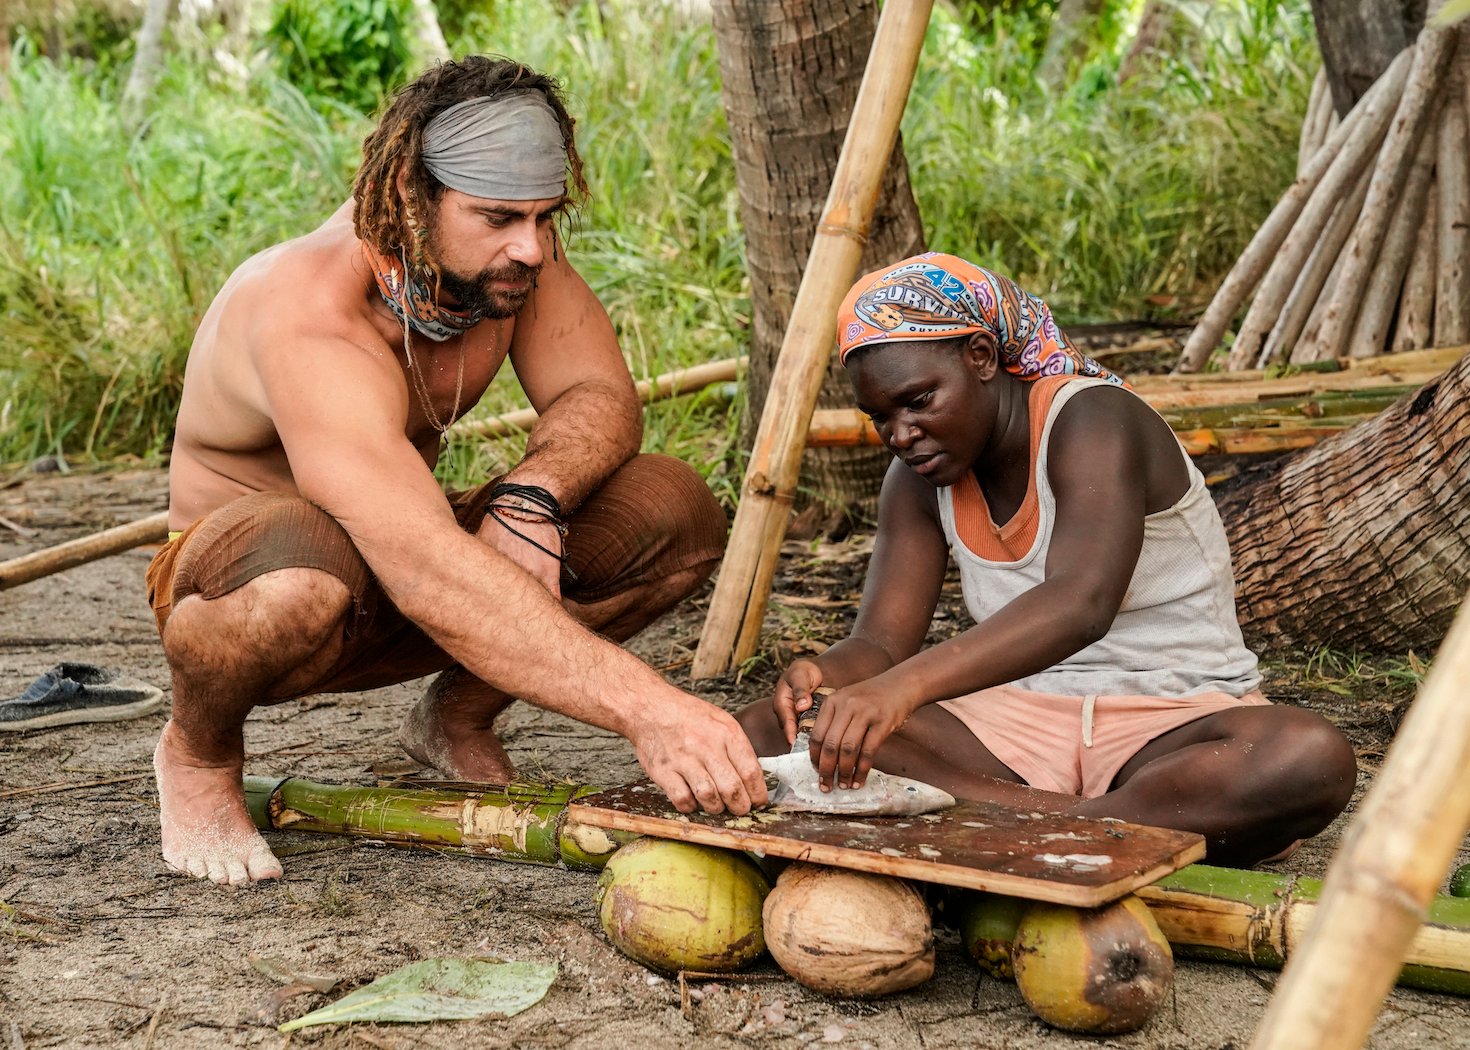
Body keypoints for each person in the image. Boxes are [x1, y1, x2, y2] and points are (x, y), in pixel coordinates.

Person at [146, 56, 766, 887]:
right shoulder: (307, 311)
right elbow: (428, 564)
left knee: (674, 509)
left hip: (404, 557)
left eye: (547, 218)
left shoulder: (504, 268)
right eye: (500, 216)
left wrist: (530, 496)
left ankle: (454, 714)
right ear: (411, 191)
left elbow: (600, 394)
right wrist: (651, 710)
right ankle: (197, 753)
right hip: (260, 594)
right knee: (296, 572)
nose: (533, 246)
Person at [738, 253, 1356, 867]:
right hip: (1015, 733)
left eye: (919, 400)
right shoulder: (917, 480)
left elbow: (1081, 604)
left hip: (1170, 718)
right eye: (882, 417)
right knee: (767, 731)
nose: (902, 434)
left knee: (1304, 757)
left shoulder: (1092, 418)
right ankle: (1094, 828)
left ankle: (1006, 821)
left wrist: (896, 691)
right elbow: (878, 641)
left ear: (981, 357)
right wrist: (826, 677)